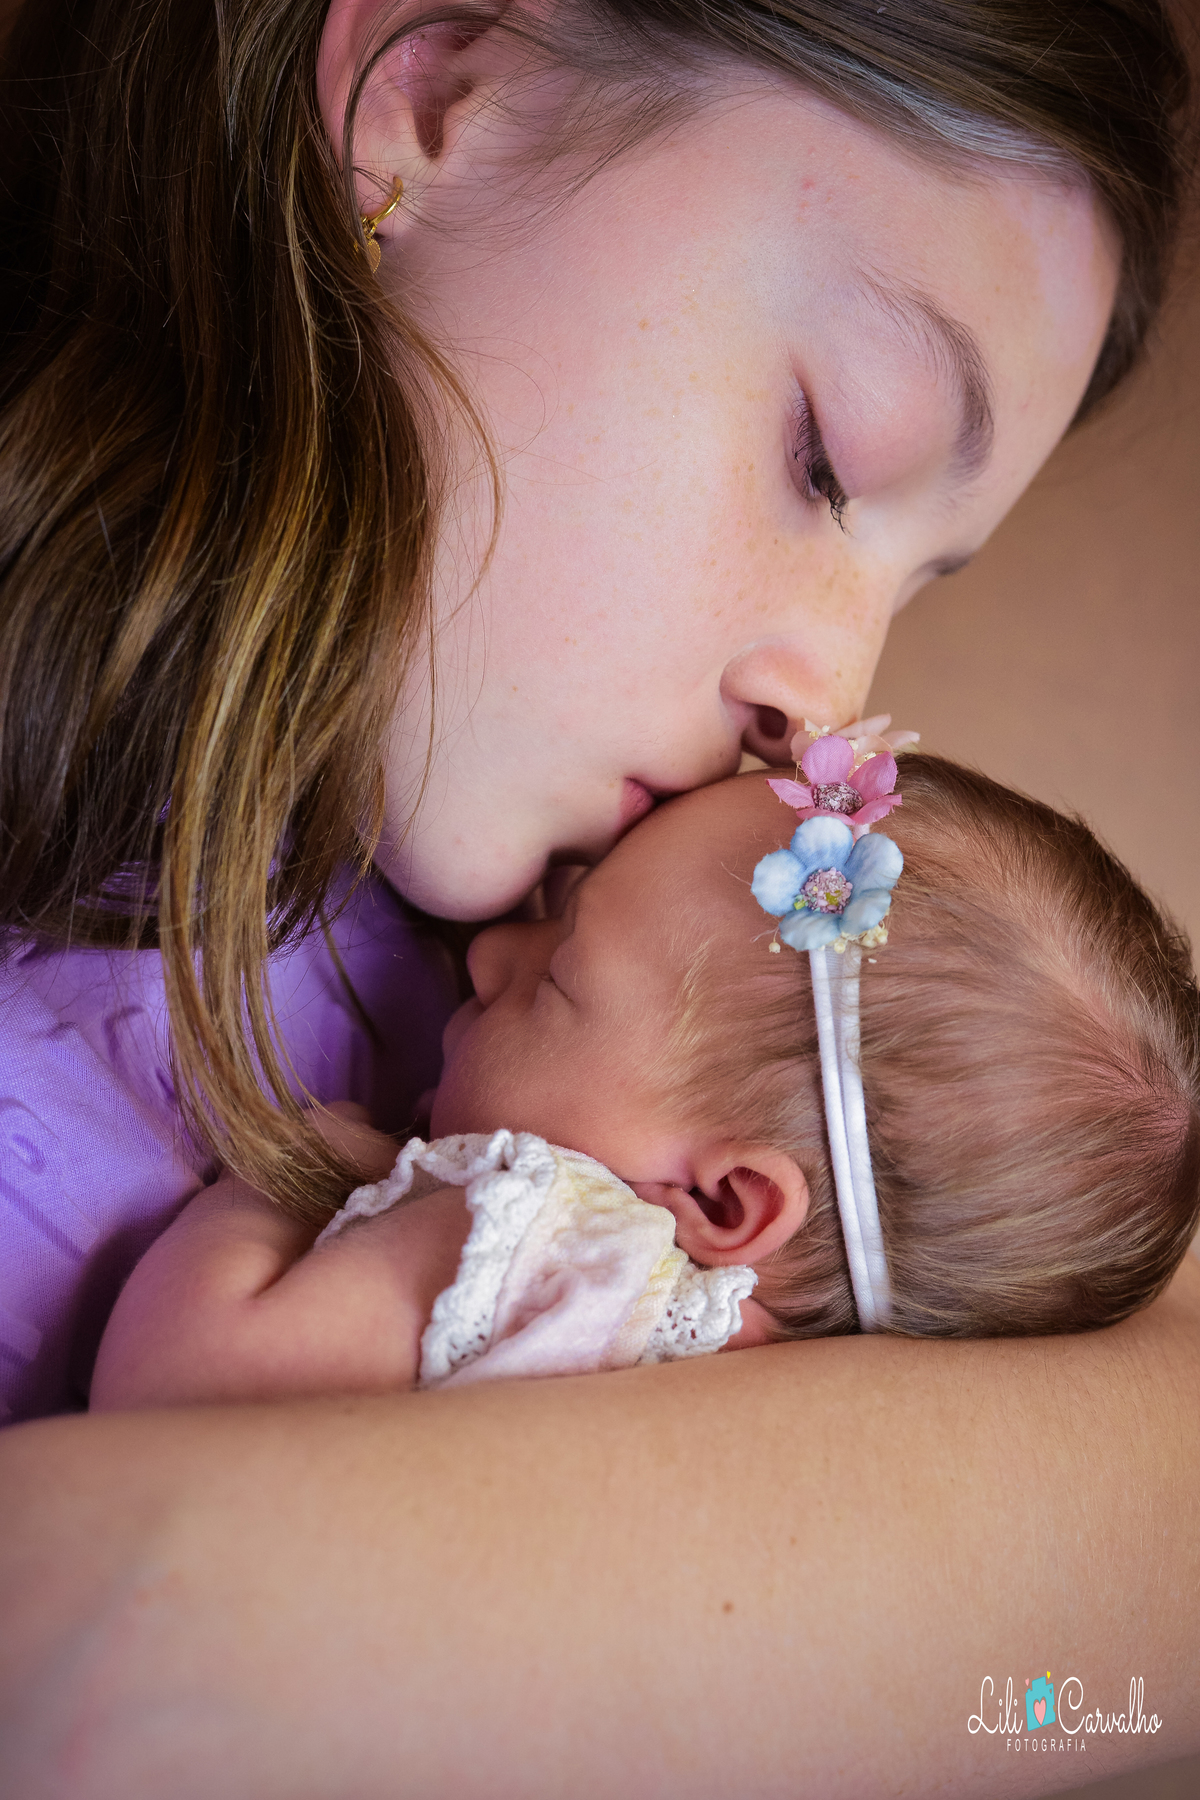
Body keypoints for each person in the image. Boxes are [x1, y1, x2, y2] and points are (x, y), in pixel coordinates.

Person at [1, 0, 1197, 1791]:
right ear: (438, 91)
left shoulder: (600, 1030)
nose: (833, 699)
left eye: (915, 588)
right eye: (827, 455)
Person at [87, 750, 1200, 1410]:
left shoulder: (553, 1248)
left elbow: (179, 1389)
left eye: (557, 975)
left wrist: (302, 1167)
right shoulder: (731, 1395)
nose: (488, 953)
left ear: (720, 1202)